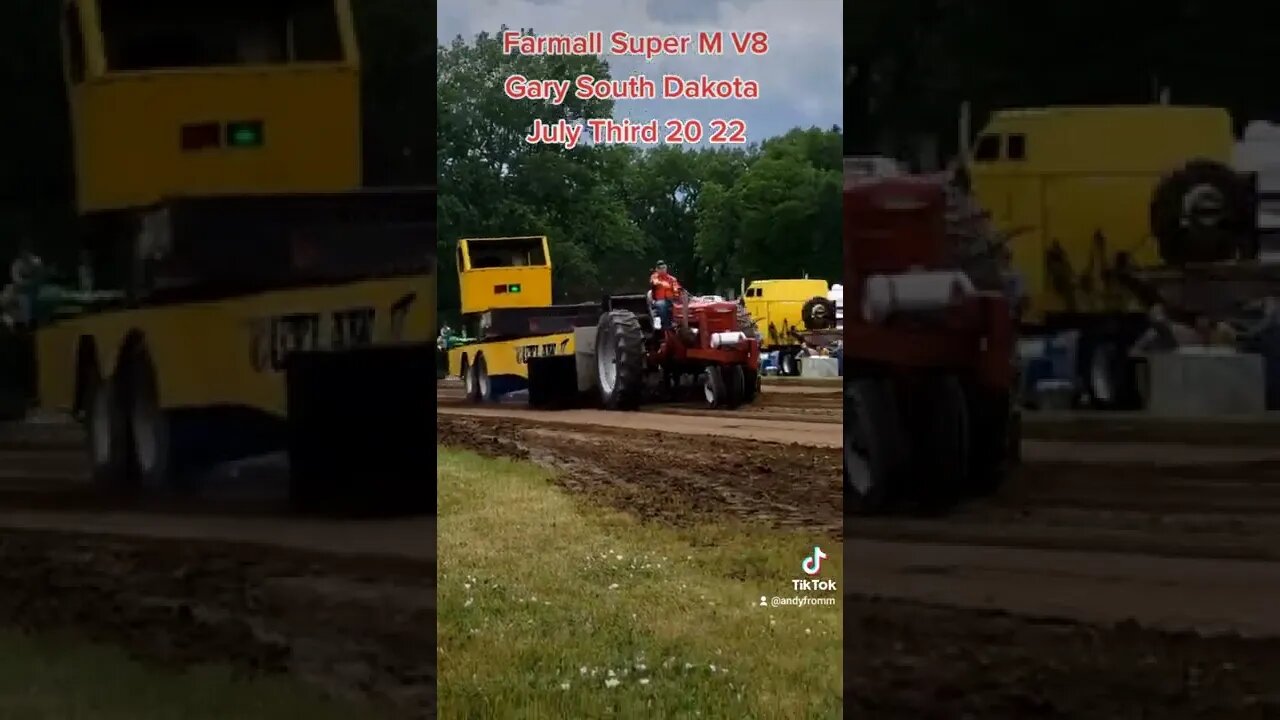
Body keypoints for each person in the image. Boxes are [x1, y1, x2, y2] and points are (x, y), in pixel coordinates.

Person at [649, 260, 681, 331]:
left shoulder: (672, 279)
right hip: (659, 300)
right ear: (657, 269)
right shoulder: (654, 277)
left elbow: (676, 287)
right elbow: (655, 282)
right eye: (660, 268)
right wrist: (665, 285)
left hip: (671, 300)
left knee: (682, 305)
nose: (662, 270)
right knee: (662, 305)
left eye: (663, 268)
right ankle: (666, 325)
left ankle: (681, 324)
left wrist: (676, 291)